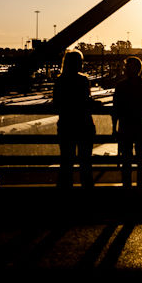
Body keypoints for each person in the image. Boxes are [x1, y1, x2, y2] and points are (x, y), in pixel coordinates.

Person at [52, 50, 96, 188]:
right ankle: (87, 189)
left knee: (66, 160)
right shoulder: (83, 80)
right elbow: (85, 101)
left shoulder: (60, 81)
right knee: (85, 161)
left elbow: (57, 103)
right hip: (84, 124)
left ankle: (65, 189)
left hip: (66, 124)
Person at [112, 56, 142, 187]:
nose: (125, 69)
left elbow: (115, 110)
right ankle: (141, 187)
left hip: (125, 126)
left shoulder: (120, 87)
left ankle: (127, 187)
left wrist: (114, 128)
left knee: (126, 160)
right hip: (141, 125)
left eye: (127, 67)